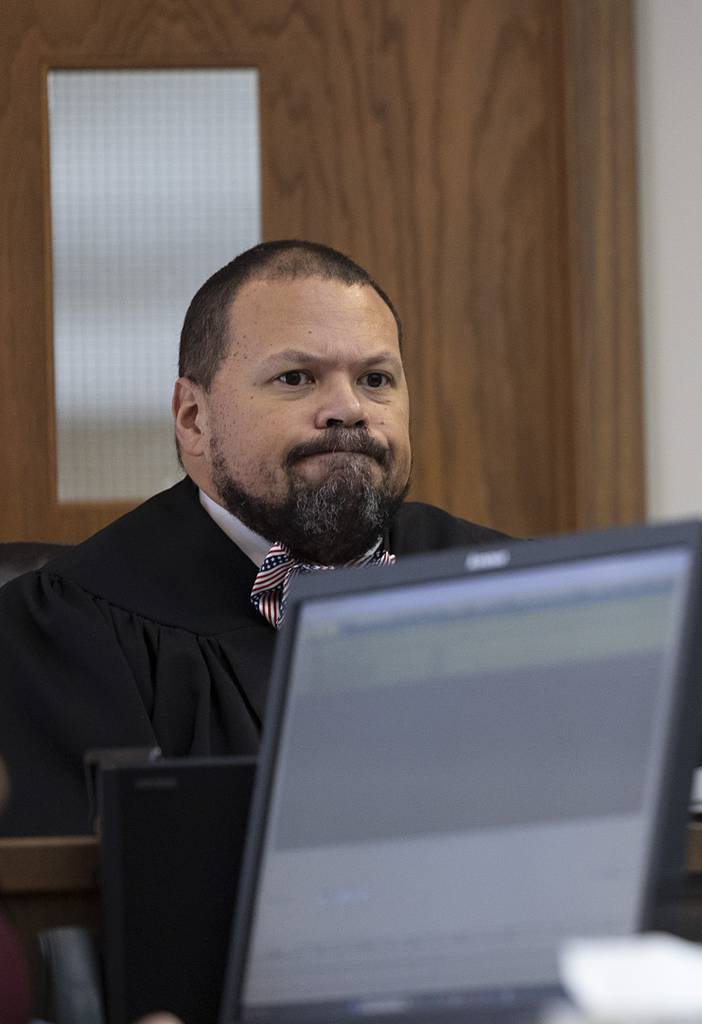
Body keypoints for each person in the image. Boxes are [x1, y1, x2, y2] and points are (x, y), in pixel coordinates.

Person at [0, 241, 510, 836]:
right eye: (296, 378)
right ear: (194, 417)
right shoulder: (63, 633)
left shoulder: (504, 584)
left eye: (375, 379)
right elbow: (89, 904)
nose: (347, 408)